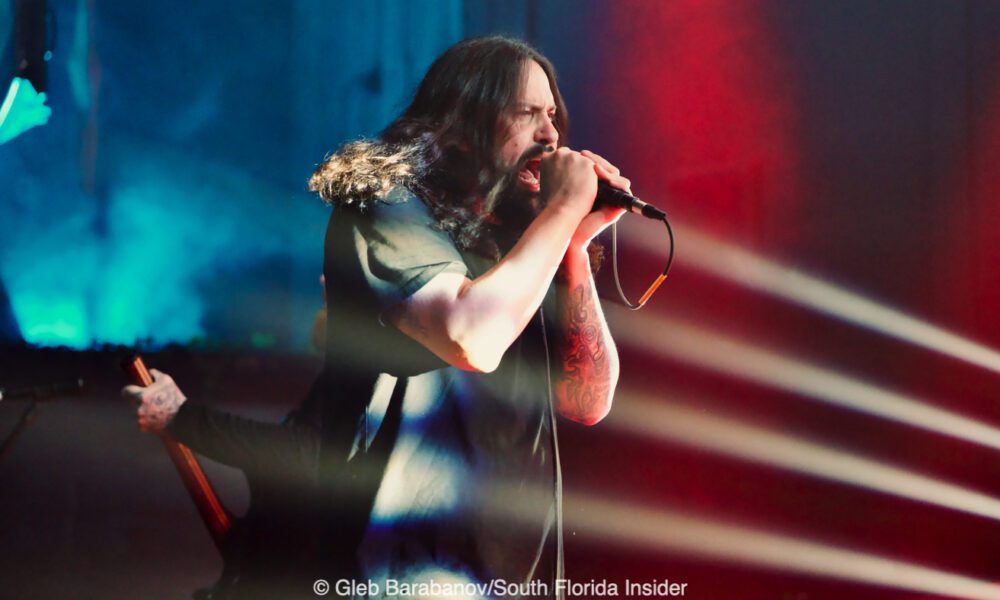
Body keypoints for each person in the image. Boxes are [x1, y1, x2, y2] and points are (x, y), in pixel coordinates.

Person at [126, 35, 627, 599]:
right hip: (406, 573)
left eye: (552, 115)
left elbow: (587, 401)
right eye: (527, 113)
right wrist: (561, 211)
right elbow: (472, 339)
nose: (551, 135)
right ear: (464, 123)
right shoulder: (388, 203)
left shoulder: (526, 243)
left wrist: (574, 245)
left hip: (514, 577)